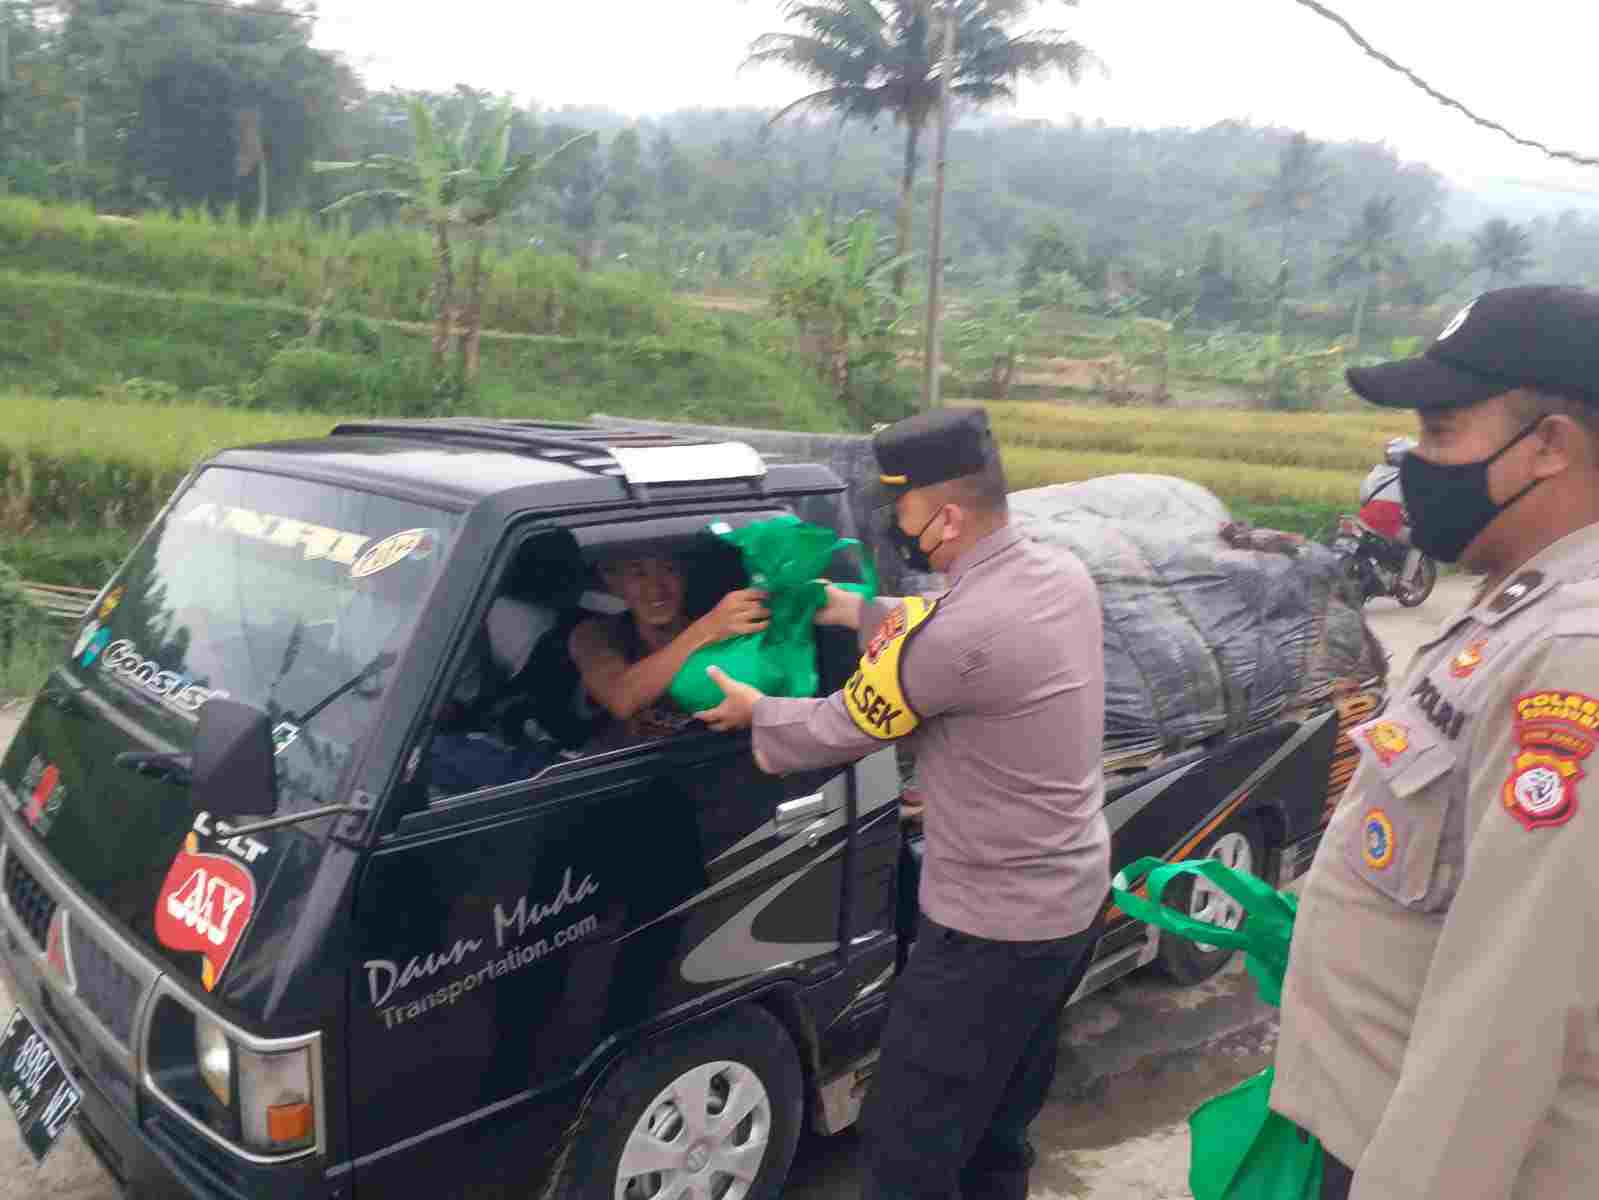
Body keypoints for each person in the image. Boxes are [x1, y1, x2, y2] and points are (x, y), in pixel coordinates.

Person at [696, 407, 1111, 1200]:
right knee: (997, 1123)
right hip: (1068, 903)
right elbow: (945, 631)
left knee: (906, 1146)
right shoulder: (1059, 576)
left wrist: (757, 712)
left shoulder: (957, 636)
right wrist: (851, 609)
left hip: (989, 932)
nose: (900, 526)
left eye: (906, 511)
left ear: (946, 516)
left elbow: (841, 725)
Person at [1271, 285, 1599, 1199]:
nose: (1416, 464)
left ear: (1549, 447)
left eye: (1440, 431)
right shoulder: (1521, 595)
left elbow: (1513, 1006)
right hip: (1369, 1120)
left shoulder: (1573, 655)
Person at [568, 550, 769, 746]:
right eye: (639, 574)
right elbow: (621, 698)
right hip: (625, 771)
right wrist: (706, 629)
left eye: (669, 569)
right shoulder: (595, 634)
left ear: (684, 575)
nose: (656, 590)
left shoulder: (727, 631)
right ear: (614, 581)